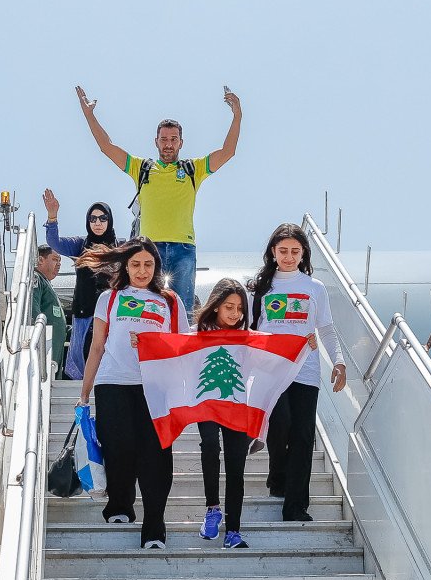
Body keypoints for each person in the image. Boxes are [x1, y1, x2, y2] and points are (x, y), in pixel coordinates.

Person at [74, 84, 243, 306]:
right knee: (148, 308)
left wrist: (237, 114)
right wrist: (89, 114)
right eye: (164, 139)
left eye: (173, 139)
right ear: (156, 142)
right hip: (149, 249)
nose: (168, 144)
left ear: (181, 143)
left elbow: (227, 152)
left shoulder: (194, 169)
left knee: (181, 309)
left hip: (183, 249)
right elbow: (107, 147)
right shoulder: (141, 167)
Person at [76, 237, 184, 549]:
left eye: (148, 264)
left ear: (156, 267)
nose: (141, 270)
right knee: (118, 448)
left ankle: (154, 527)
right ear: (125, 265)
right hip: (112, 383)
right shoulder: (109, 298)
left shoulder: (170, 301)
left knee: (157, 457)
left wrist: (155, 344)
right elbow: (97, 347)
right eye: (135, 264)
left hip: (155, 386)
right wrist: (84, 395)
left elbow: (181, 347)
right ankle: (120, 505)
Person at [248, 223, 346, 523]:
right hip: (272, 370)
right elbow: (250, 329)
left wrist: (339, 361)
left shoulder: (314, 289)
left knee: (303, 436)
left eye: (294, 251)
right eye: (283, 251)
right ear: (273, 253)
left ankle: (296, 506)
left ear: (303, 253)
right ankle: (277, 476)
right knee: (280, 425)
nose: (289, 256)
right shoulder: (262, 287)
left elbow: (326, 329)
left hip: (306, 369)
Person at [193, 277, 255, 549]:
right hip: (206, 403)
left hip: (237, 407)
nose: (234, 313)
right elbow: (171, 349)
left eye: (239, 308)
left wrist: (302, 344)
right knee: (209, 446)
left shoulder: (248, 338)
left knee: (236, 466)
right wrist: (144, 342)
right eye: (229, 306)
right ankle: (212, 509)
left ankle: (233, 530)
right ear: (216, 306)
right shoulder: (196, 333)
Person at [41, 190, 118, 380]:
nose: (98, 223)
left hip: (111, 313)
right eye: (93, 219)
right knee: (84, 353)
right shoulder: (80, 245)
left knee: (110, 355)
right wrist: (52, 217)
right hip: (85, 311)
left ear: (109, 221)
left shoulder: (120, 247)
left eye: (102, 218)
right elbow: (54, 243)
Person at [31, 244, 70, 374]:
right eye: (55, 259)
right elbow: (33, 311)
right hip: (43, 356)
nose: (58, 264)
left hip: (53, 360)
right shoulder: (36, 279)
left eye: (60, 261)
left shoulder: (47, 284)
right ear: (40, 260)